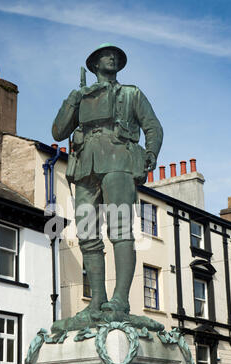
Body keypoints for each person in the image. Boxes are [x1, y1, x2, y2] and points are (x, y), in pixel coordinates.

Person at [52, 43, 163, 321]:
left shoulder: (131, 94)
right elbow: (57, 130)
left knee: (121, 229)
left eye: (114, 56)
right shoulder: (81, 96)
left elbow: (153, 126)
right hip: (85, 167)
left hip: (119, 162)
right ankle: (97, 300)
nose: (111, 58)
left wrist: (150, 152)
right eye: (104, 55)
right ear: (94, 64)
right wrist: (73, 100)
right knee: (87, 233)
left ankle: (120, 300)